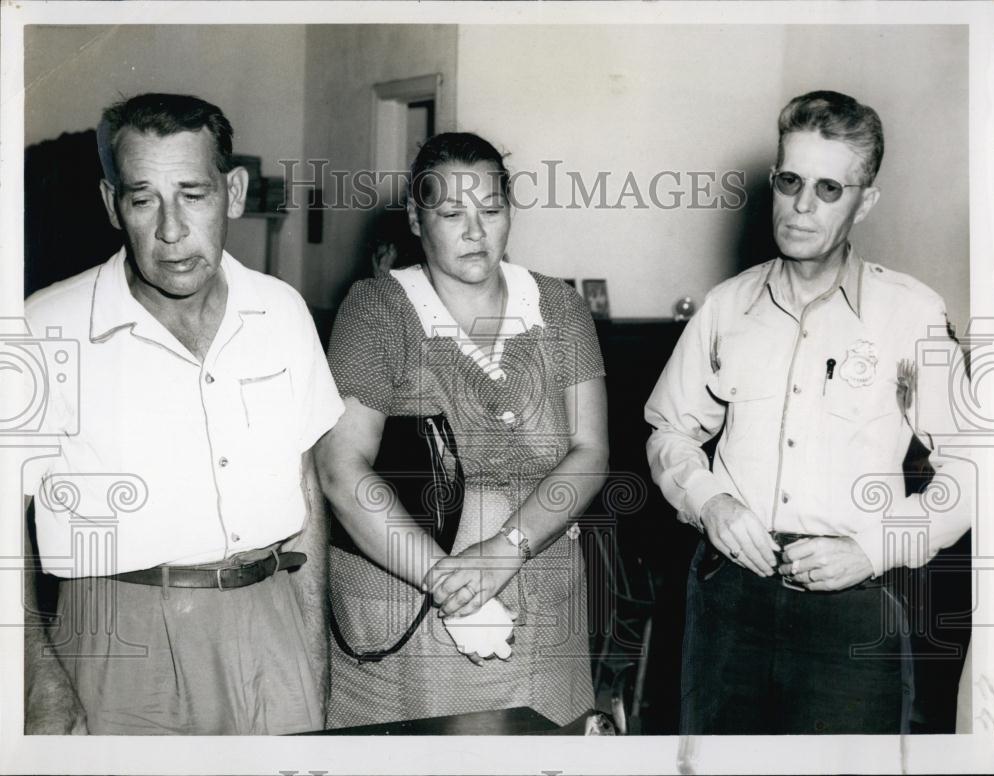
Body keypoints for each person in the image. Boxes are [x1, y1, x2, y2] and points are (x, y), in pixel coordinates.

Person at [644, 90, 971, 734]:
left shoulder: (910, 315)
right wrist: (709, 500)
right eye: (790, 180)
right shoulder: (725, 307)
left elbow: (974, 472)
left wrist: (872, 550)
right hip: (727, 597)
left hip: (851, 604)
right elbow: (669, 429)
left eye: (829, 188)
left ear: (865, 201)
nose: (801, 206)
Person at [22, 93, 344, 735]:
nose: (171, 230)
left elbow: (306, 494)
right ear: (113, 205)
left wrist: (313, 665)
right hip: (119, 639)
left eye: (193, 195)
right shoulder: (42, 325)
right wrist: (36, 675)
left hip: (271, 625)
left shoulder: (281, 312)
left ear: (235, 191)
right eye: (144, 199)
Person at [315, 132, 608, 728]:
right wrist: (449, 584)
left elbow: (591, 451)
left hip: (544, 598)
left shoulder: (560, 308)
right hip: (412, 604)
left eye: (491, 210)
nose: (475, 231)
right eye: (451, 213)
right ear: (417, 221)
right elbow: (340, 469)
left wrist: (506, 549)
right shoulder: (379, 309)